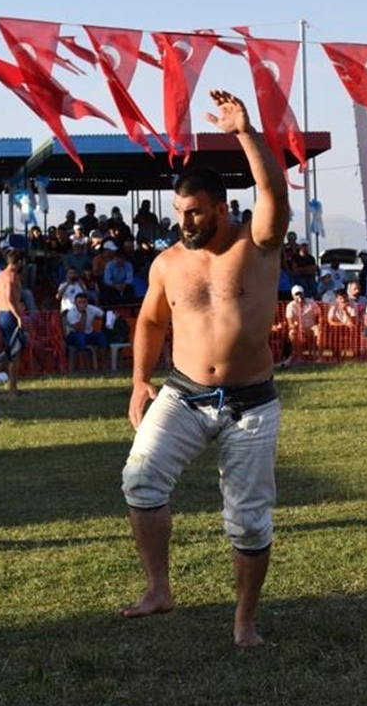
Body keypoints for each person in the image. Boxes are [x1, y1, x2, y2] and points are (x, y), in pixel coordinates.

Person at [120, 90, 289, 648]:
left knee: (248, 522)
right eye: (179, 213)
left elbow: (272, 190)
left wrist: (245, 131)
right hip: (184, 393)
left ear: (220, 206)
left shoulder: (257, 245)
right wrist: (140, 380)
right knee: (141, 480)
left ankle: (244, 621)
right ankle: (159, 589)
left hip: (251, 403)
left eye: (193, 212)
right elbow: (149, 323)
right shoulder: (168, 262)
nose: (185, 222)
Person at [0, 249, 28, 395]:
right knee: (14, 353)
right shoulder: (11, 277)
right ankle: (13, 388)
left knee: (9, 351)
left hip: (1, 315)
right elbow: (10, 300)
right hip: (10, 315)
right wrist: (19, 317)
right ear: (19, 262)